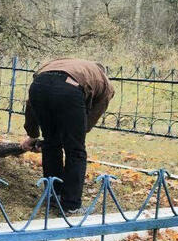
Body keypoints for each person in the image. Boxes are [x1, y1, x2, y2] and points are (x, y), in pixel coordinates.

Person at [21, 59, 115, 215]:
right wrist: (74, 134)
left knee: (51, 144)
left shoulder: (60, 64)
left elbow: (31, 104)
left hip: (38, 86)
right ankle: (71, 205)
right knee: (76, 151)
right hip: (70, 91)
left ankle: (53, 196)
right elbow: (90, 118)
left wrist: (32, 134)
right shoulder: (104, 84)